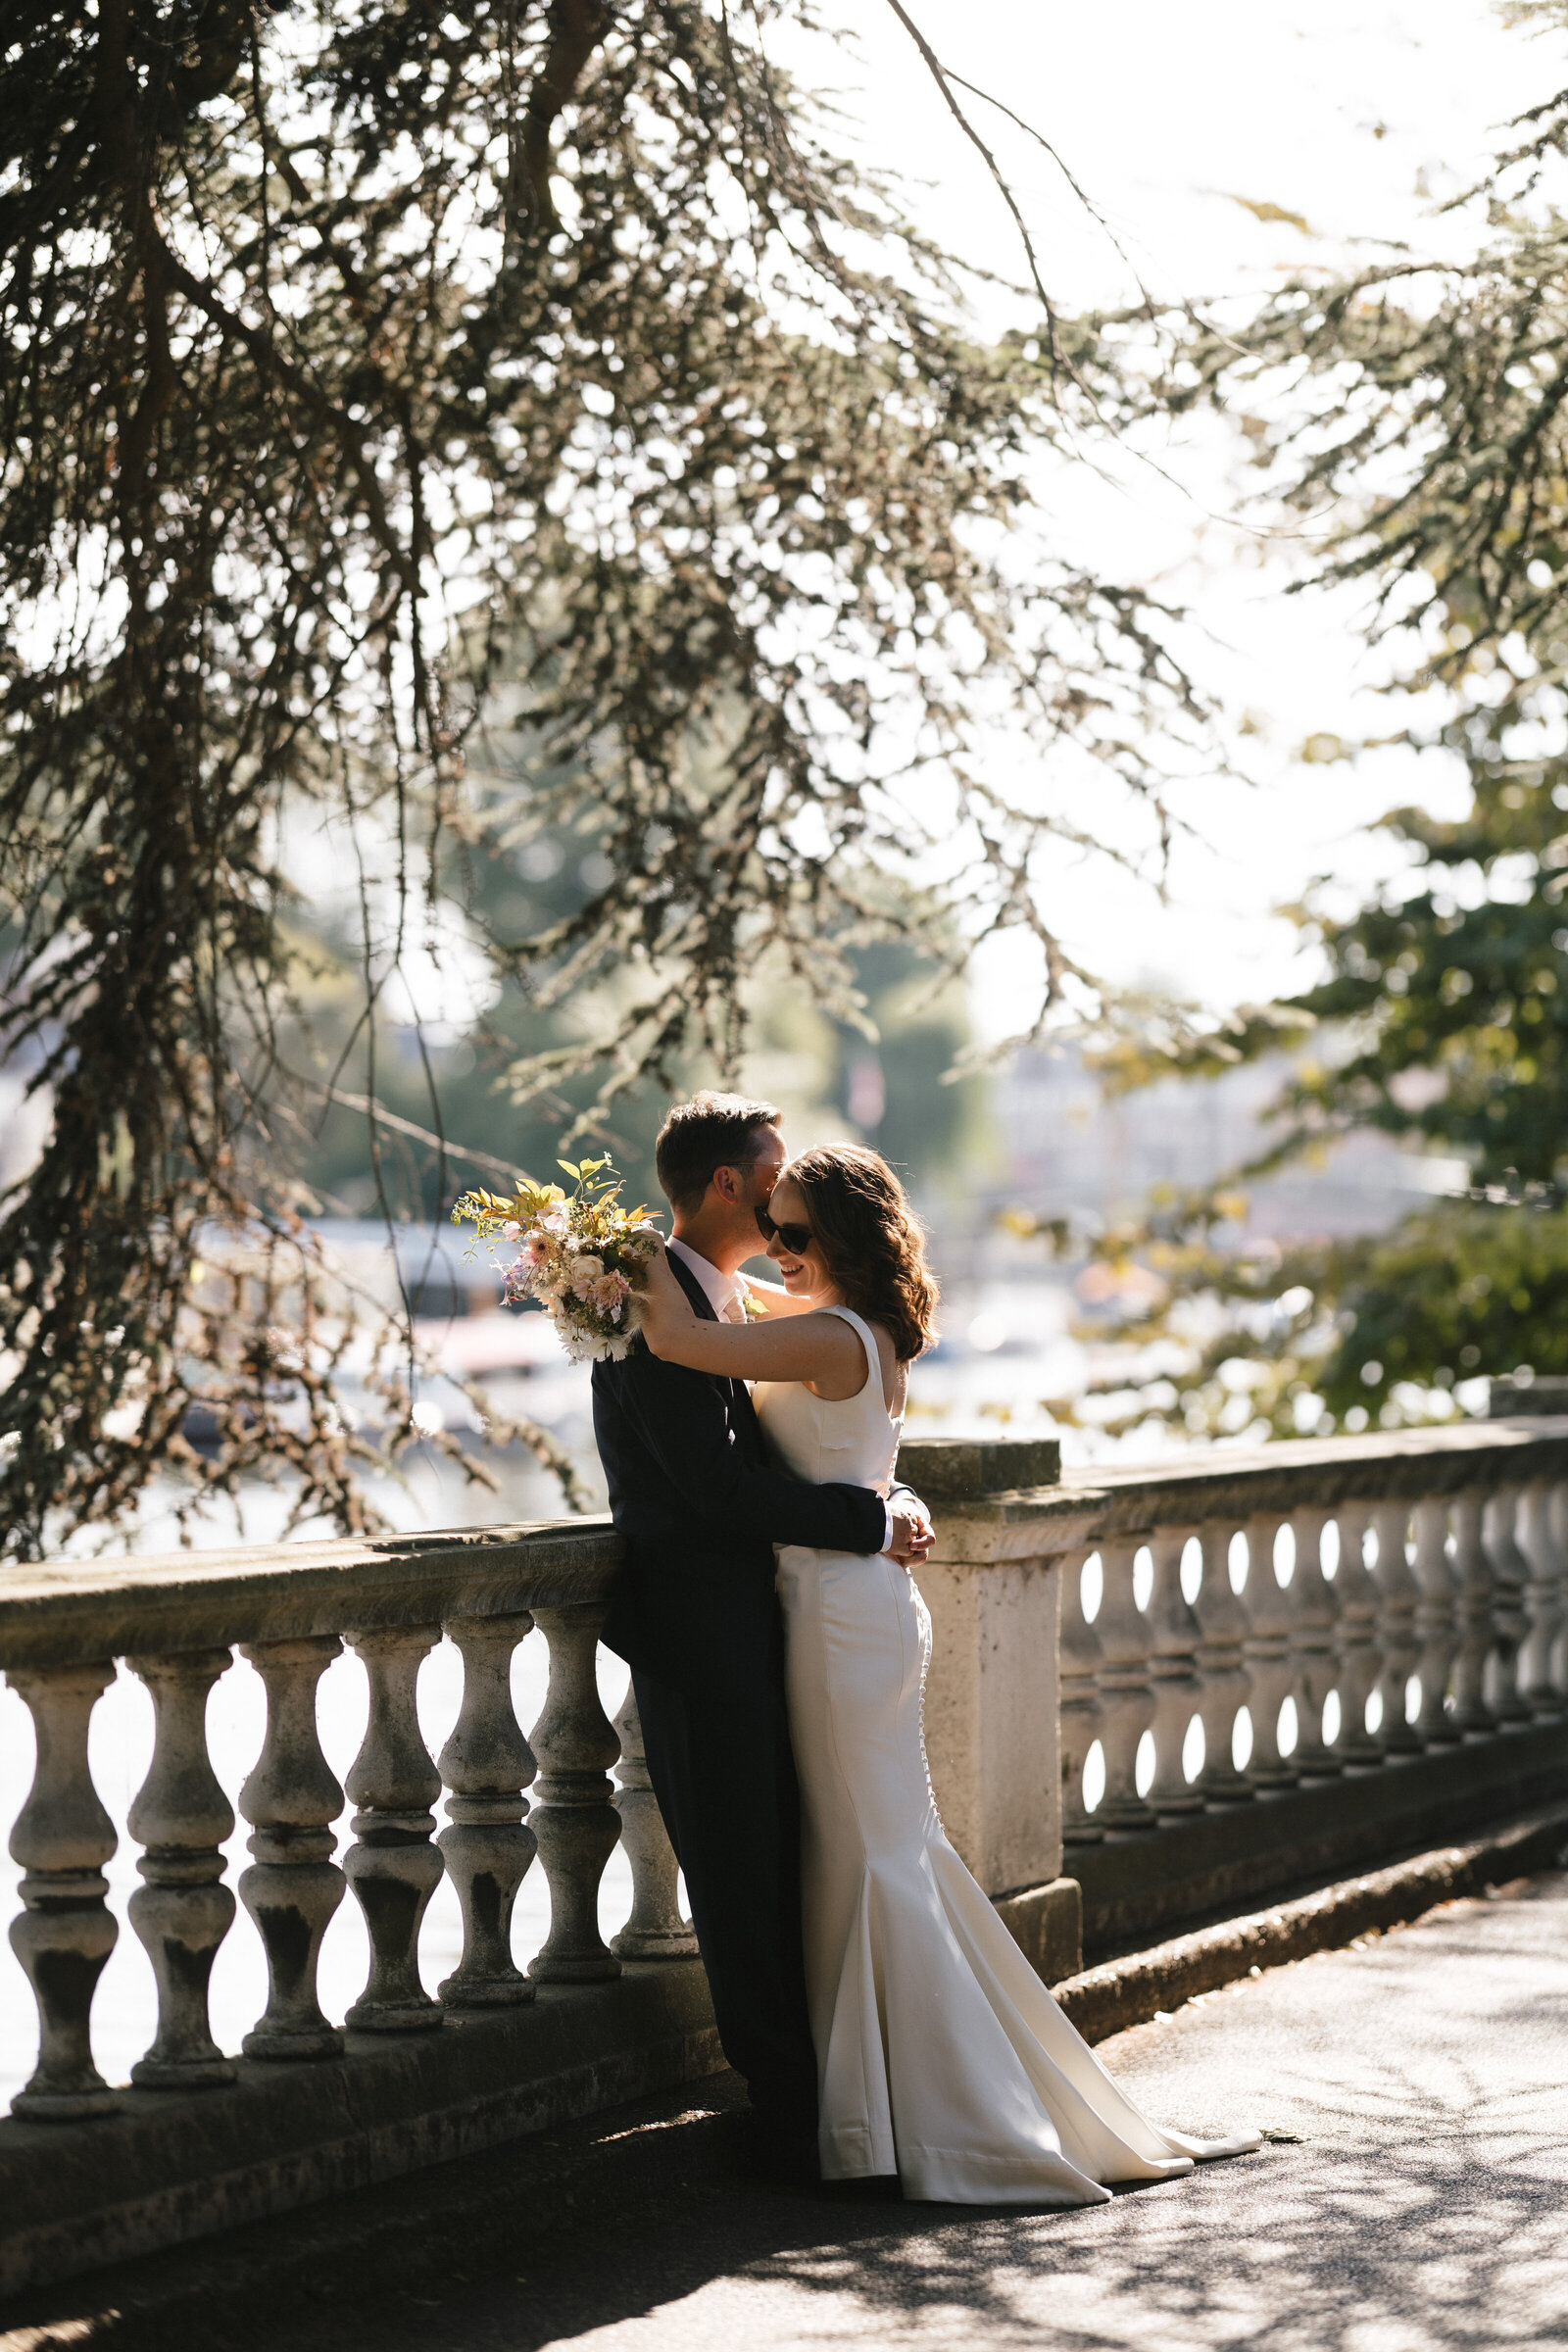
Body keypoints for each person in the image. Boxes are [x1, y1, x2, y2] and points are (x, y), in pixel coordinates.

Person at [637, 1140, 1261, 2205]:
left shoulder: (831, 1337)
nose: (777, 1250)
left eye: (795, 1234)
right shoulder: (851, 1329)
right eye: (773, 1229)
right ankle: (883, 2110)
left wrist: (608, 1253)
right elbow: (725, 1298)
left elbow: (683, 1335)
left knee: (872, 1856)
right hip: (850, 1607)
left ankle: (931, 2117)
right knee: (876, 1849)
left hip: (841, 1620)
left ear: (838, 1238)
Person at [591, 1094, 932, 2178]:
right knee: (762, 1870)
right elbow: (717, 1486)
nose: (781, 1231)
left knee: (811, 1860)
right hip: (717, 1628)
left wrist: (872, 1508)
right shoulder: (666, 1311)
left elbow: (765, 1456)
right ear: (731, 1186)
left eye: (798, 1226)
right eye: (772, 1199)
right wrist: (871, 1510)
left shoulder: (707, 1311)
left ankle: (837, 2106)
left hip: (807, 1622)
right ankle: (816, 2107)